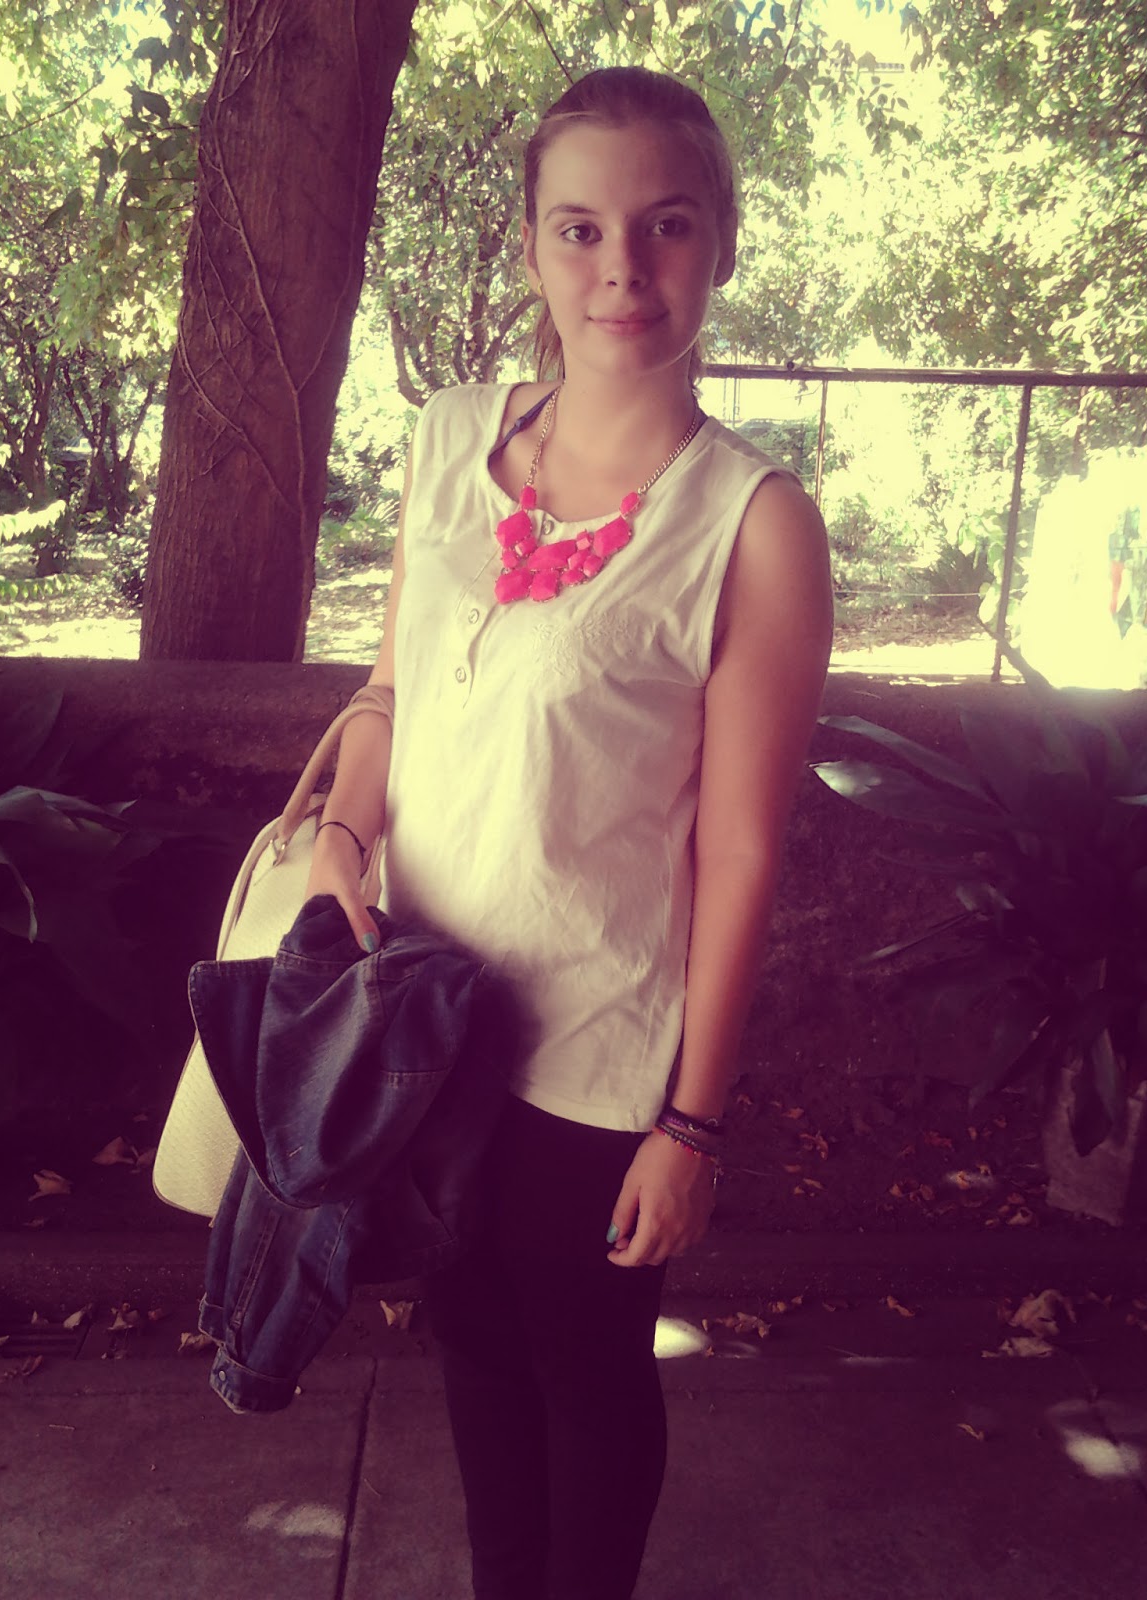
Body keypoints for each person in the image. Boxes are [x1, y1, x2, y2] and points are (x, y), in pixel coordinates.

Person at [306, 64, 833, 1600]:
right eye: (581, 228)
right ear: (533, 245)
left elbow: (741, 853)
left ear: (721, 241)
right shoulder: (447, 439)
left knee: (586, 1368)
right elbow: (393, 691)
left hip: (599, 1053)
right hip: (420, 1009)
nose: (622, 269)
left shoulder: (752, 524)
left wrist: (693, 1126)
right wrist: (340, 833)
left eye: (665, 225)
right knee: (470, 1338)